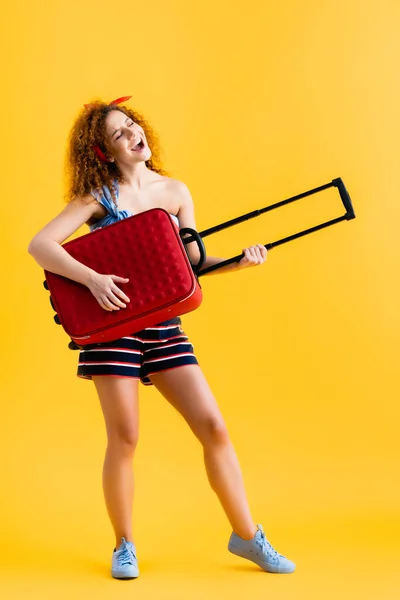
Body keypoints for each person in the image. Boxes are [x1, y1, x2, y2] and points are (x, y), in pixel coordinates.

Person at [28, 96, 295, 579]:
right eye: (119, 134)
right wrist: (93, 279)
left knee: (213, 426)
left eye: (133, 125)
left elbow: (190, 267)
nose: (134, 134)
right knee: (125, 437)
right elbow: (41, 245)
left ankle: (248, 537)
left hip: (164, 325)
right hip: (113, 330)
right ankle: (124, 544)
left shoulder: (175, 192)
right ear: (105, 152)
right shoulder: (97, 196)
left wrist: (239, 261)